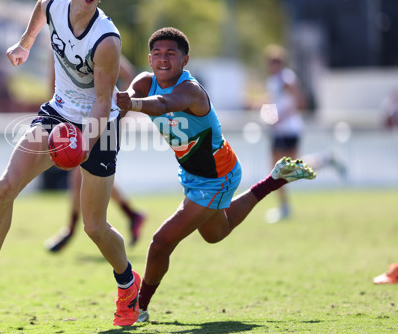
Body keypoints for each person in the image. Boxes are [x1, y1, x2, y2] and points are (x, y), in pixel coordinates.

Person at [0, 0, 142, 326]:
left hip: (100, 126)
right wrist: (25, 42)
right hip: (58, 111)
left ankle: (128, 284)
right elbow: (42, 5)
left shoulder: (107, 41)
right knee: (4, 188)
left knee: (94, 227)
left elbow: (103, 102)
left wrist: (85, 141)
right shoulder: (54, 2)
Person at [115, 27, 317, 322]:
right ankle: (274, 179)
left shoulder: (190, 90)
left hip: (217, 174)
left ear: (185, 60)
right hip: (194, 174)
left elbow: (163, 105)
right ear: (149, 58)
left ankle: (138, 307)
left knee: (160, 242)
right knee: (216, 234)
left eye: (171, 53)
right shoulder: (145, 83)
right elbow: (128, 97)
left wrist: (129, 104)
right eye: (157, 54)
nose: (163, 59)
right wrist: (114, 105)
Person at [44, 54, 146, 252]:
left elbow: (128, 74)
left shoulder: (97, 41)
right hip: (75, 120)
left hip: (103, 120)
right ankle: (132, 215)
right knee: (87, 176)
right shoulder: (56, 47)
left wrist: (120, 110)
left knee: (86, 175)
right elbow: (52, 87)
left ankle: (71, 230)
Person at [260, 44, 344, 223]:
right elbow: (272, 105)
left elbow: (301, 102)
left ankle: (285, 208)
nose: (272, 65)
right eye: (270, 62)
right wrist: (268, 117)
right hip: (278, 132)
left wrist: (281, 117)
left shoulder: (286, 79)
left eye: (275, 62)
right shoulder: (272, 81)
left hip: (289, 131)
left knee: (286, 171)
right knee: (281, 170)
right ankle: (325, 159)